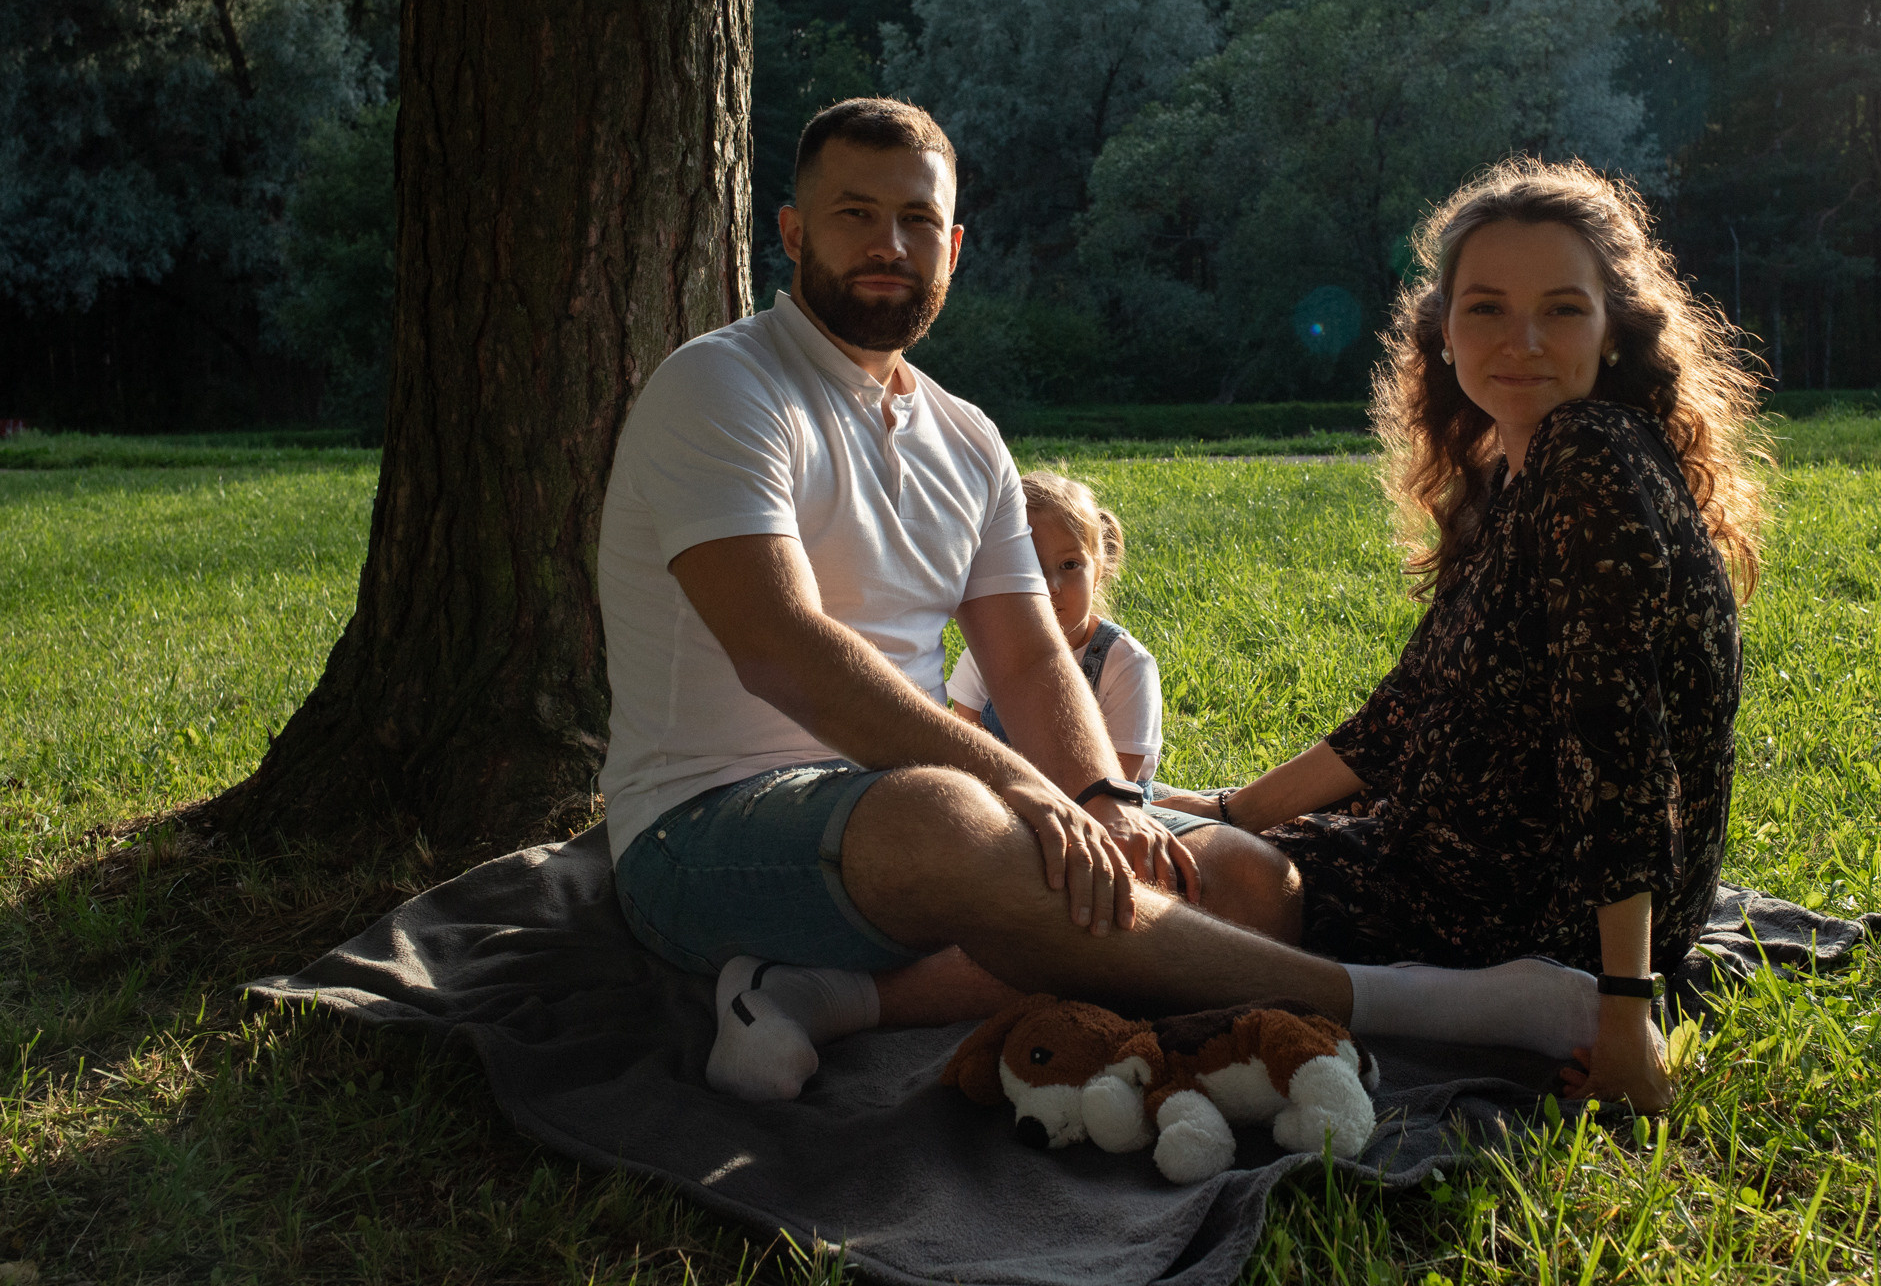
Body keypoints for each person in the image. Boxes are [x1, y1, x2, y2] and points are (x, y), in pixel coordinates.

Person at [597, 99, 1625, 1106]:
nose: (889, 245)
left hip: (915, 822)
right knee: (953, 813)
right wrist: (1022, 789)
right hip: (705, 832)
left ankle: (820, 997)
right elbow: (779, 646)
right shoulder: (724, 387)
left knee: (1240, 881)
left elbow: (1031, 658)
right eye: (855, 214)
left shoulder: (966, 438)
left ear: (953, 247)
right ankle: (1419, 1004)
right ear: (791, 232)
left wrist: (1102, 799)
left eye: (916, 219)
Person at [1157, 156, 1765, 1112]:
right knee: (1178, 847)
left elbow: (1618, 745)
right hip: (1467, 851)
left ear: (1614, 329)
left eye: (1562, 309)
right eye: (1486, 308)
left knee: (1180, 889)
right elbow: (1403, 715)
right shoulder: (1518, 473)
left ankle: (1492, 1003)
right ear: (1443, 332)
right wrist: (1232, 808)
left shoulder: (1589, 458)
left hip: (1543, 908)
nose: (1522, 341)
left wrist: (1623, 1010)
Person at [947, 472, 1167, 786]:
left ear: (1098, 571)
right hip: (1007, 796)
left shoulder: (1127, 665)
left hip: (1102, 805)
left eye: (1069, 565)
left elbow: (1120, 784)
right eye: (1029, 567)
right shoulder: (988, 651)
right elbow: (969, 742)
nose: (1051, 586)